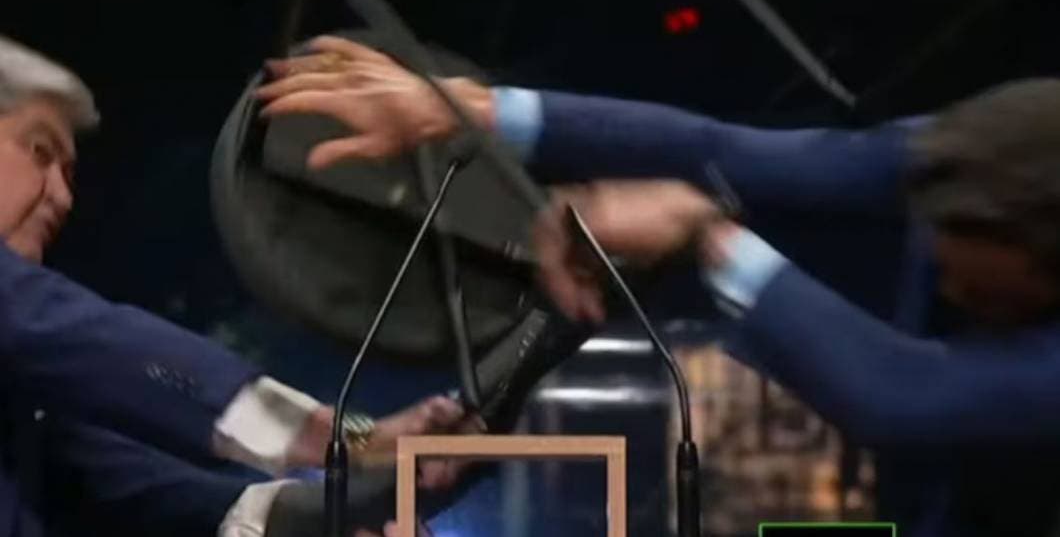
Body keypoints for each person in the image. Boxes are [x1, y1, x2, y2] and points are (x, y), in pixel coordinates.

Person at [256, 35, 1060, 537]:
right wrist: (473, 110)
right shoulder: (984, 153)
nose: (950, 285)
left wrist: (706, 234)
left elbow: (905, 394)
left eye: (977, 281)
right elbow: (735, 152)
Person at [0, 34, 475, 537]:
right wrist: (348, 439)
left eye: (70, 174)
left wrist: (350, 495)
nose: (62, 196)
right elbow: (72, 332)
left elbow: (160, 492)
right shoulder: (32, 324)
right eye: (39, 151)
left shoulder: (26, 392)